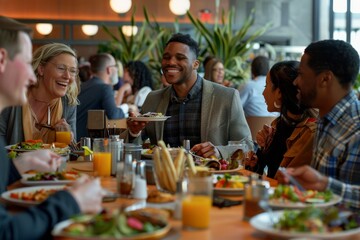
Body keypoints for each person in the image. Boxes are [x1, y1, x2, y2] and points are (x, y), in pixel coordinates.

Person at [0, 15, 103, 239]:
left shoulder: (66, 102)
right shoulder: (12, 102)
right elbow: (6, 232)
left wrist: (18, 166)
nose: (69, 77)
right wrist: (72, 202)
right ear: (41, 69)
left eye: (73, 71)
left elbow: (72, 149)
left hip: (42, 182)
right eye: (27, 63)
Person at [124, 33, 251, 153]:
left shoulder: (226, 97)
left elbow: (248, 146)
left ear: (195, 64)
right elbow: (134, 145)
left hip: (209, 174)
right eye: (166, 57)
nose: (171, 62)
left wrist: (219, 151)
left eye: (180, 58)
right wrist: (134, 132)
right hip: (164, 173)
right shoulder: (154, 98)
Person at [283, 39, 360, 210]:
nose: (296, 82)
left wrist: (324, 185)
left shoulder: (356, 130)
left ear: (325, 79)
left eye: (301, 74)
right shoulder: (326, 119)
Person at [243, 61, 317, 180]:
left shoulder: (309, 132)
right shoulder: (278, 124)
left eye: (266, 86)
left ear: (278, 93)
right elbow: (267, 172)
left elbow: (286, 181)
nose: (263, 92)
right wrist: (257, 159)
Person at [0, 42, 79, 144]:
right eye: (61, 68)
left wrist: (68, 138)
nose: (67, 76)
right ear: (41, 69)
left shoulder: (68, 103)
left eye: (72, 71)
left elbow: (74, 155)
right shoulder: (10, 97)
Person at [76, 53, 125, 140]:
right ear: (109, 70)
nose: (117, 69)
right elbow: (113, 114)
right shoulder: (105, 88)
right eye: (115, 66)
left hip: (75, 140)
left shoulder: (83, 86)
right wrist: (127, 108)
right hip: (87, 143)